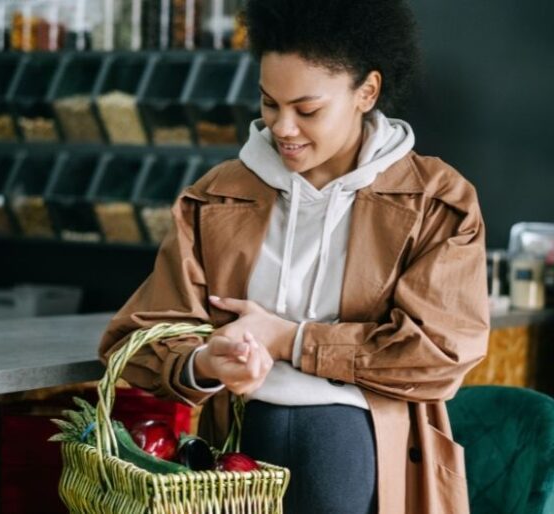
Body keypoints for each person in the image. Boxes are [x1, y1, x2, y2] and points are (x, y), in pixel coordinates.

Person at [98, 0, 490, 512]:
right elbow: (140, 335)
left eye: (307, 110)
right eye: (268, 103)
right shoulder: (215, 196)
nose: (283, 127)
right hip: (232, 456)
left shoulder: (436, 201)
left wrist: (291, 340)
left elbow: (439, 352)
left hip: (356, 453)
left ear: (366, 92)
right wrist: (204, 362)